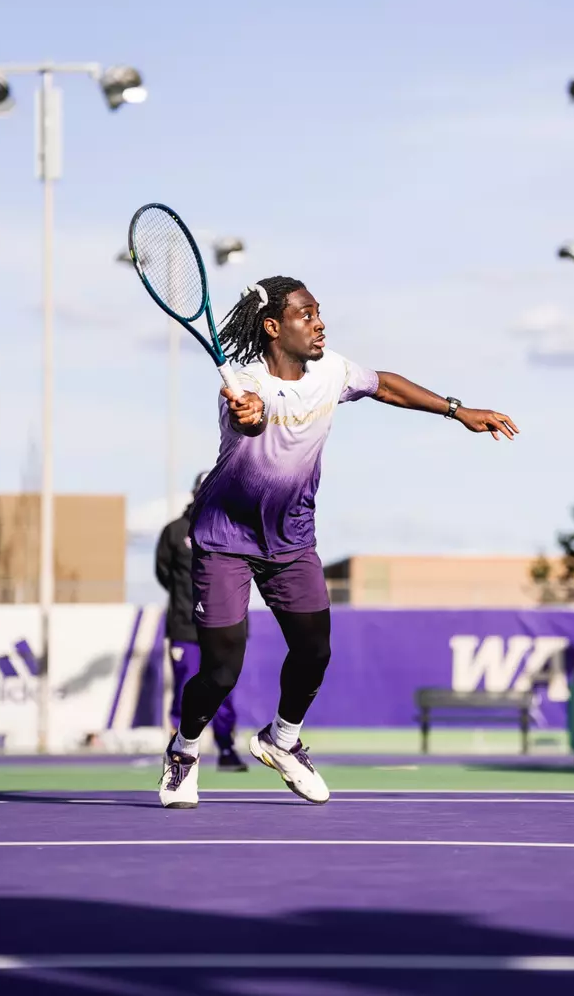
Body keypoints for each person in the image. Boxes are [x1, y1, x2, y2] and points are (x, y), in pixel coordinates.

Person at [159, 277, 518, 809]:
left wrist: (455, 410)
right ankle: (184, 752)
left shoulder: (333, 372)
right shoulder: (244, 382)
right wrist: (250, 415)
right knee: (221, 668)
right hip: (227, 536)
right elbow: (252, 422)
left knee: (314, 650)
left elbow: (386, 385)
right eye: (306, 314)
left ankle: (281, 740)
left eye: (319, 312)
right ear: (274, 327)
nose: (319, 322)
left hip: (292, 537)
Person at [155, 472, 247, 773]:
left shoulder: (235, 529)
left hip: (224, 628)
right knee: (186, 688)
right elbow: (164, 573)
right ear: (197, 492)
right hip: (185, 627)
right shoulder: (174, 531)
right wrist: (188, 602)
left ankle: (226, 748)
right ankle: (180, 754)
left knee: (223, 689)